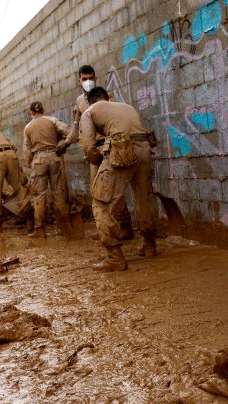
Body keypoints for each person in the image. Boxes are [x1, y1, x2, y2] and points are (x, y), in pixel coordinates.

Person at [79, 87, 158, 271]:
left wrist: (98, 160)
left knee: (100, 203)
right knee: (142, 199)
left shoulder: (89, 112)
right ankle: (149, 244)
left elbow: (88, 146)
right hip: (144, 150)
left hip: (122, 150)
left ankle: (115, 257)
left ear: (91, 101)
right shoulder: (126, 106)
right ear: (107, 98)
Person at [62, 65, 134, 241]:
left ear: (96, 77)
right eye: (84, 79)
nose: (88, 81)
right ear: (79, 80)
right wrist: (65, 143)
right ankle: (109, 228)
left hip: (111, 147)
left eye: (90, 78)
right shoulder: (79, 102)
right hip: (94, 150)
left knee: (110, 191)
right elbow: (76, 127)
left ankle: (124, 226)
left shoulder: (106, 96)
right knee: (99, 191)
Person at [23, 101, 73, 238]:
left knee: (39, 195)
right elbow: (69, 131)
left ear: (31, 112)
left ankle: (40, 230)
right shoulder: (52, 120)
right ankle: (65, 229)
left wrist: (29, 163)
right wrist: (63, 144)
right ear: (43, 110)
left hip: (38, 160)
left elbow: (27, 150)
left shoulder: (28, 127)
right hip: (55, 156)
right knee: (58, 193)